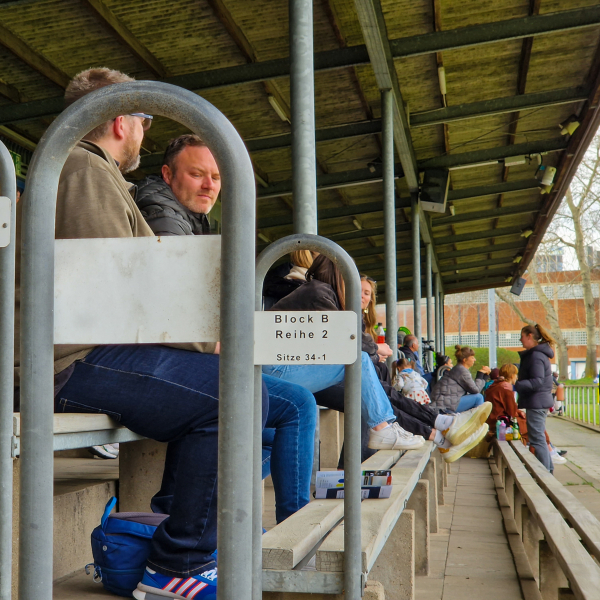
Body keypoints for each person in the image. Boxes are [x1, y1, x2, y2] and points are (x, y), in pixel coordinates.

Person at [13, 68, 230, 599]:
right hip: (67, 360)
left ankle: (173, 547)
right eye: (144, 120)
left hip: (76, 351)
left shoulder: (90, 169)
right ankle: (177, 562)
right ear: (118, 119)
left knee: (234, 388)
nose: (145, 133)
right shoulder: (85, 167)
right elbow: (117, 288)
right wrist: (203, 343)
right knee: (230, 394)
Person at [136, 133, 319, 527]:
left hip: (183, 353)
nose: (210, 185)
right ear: (168, 173)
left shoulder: (190, 217)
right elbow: (185, 300)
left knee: (271, 423)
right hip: (163, 355)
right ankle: (288, 524)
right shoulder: (162, 213)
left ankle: (183, 505)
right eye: (198, 174)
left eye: (216, 177)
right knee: (293, 405)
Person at [268, 257, 490, 460]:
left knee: (372, 386)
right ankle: (418, 428)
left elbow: (344, 340)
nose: (358, 291)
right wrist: (375, 349)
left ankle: (441, 432)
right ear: (340, 276)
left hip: (288, 370)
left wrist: (370, 349)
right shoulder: (319, 291)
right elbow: (347, 339)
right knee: (362, 367)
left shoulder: (320, 292)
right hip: (278, 372)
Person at [515, 324, 556, 473]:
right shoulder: (538, 355)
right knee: (538, 439)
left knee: (537, 440)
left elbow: (537, 381)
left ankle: (546, 474)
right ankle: (547, 471)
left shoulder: (535, 356)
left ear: (529, 336)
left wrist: (516, 385)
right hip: (538, 401)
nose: (520, 339)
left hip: (536, 402)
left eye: (522, 336)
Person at [429, 345, 491, 413]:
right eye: (472, 357)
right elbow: (475, 390)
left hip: (443, 402)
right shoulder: (462, 371)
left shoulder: (458, 369)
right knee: (478, 397)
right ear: (464, 360)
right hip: (445, 405)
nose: (474, 359)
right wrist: (480, 374)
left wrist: (484, 376)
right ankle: (476, 422)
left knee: (478, 397)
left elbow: (474, 388)